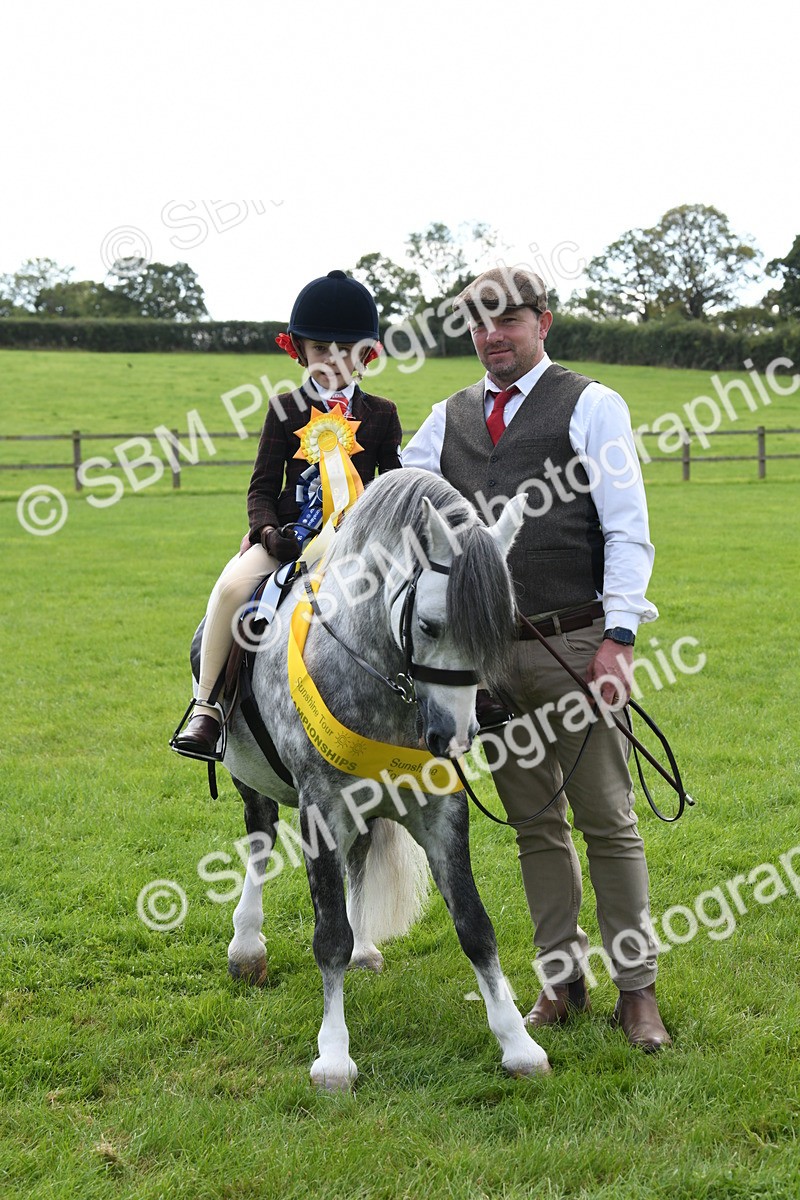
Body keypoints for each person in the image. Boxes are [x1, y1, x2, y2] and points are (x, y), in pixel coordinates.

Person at [402, 266, 671, 1052]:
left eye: (508, 319)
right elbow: (390, 489)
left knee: (608, 821)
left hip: (578, 645)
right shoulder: (447, 417)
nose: (493, 334)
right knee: (532, 824)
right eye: (479, 322)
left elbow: (627, 527)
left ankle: (638, 991)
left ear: (541, 322)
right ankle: (562, 980)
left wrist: (619, 638)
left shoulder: (591, 404)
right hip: (486, 661)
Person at [172, 270, 403, 761]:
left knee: (423, 599)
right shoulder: (284, 410)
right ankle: (206, 708)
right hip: (289, 540)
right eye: (320, 350)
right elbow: (261, 486)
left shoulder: (382, 414)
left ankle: (445, 706)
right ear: (300, 351)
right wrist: (266, 530)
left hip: (357, 542)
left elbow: (392, 482)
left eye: (345, 351)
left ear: (367, 355)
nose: (332, 361)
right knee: (233, 588)